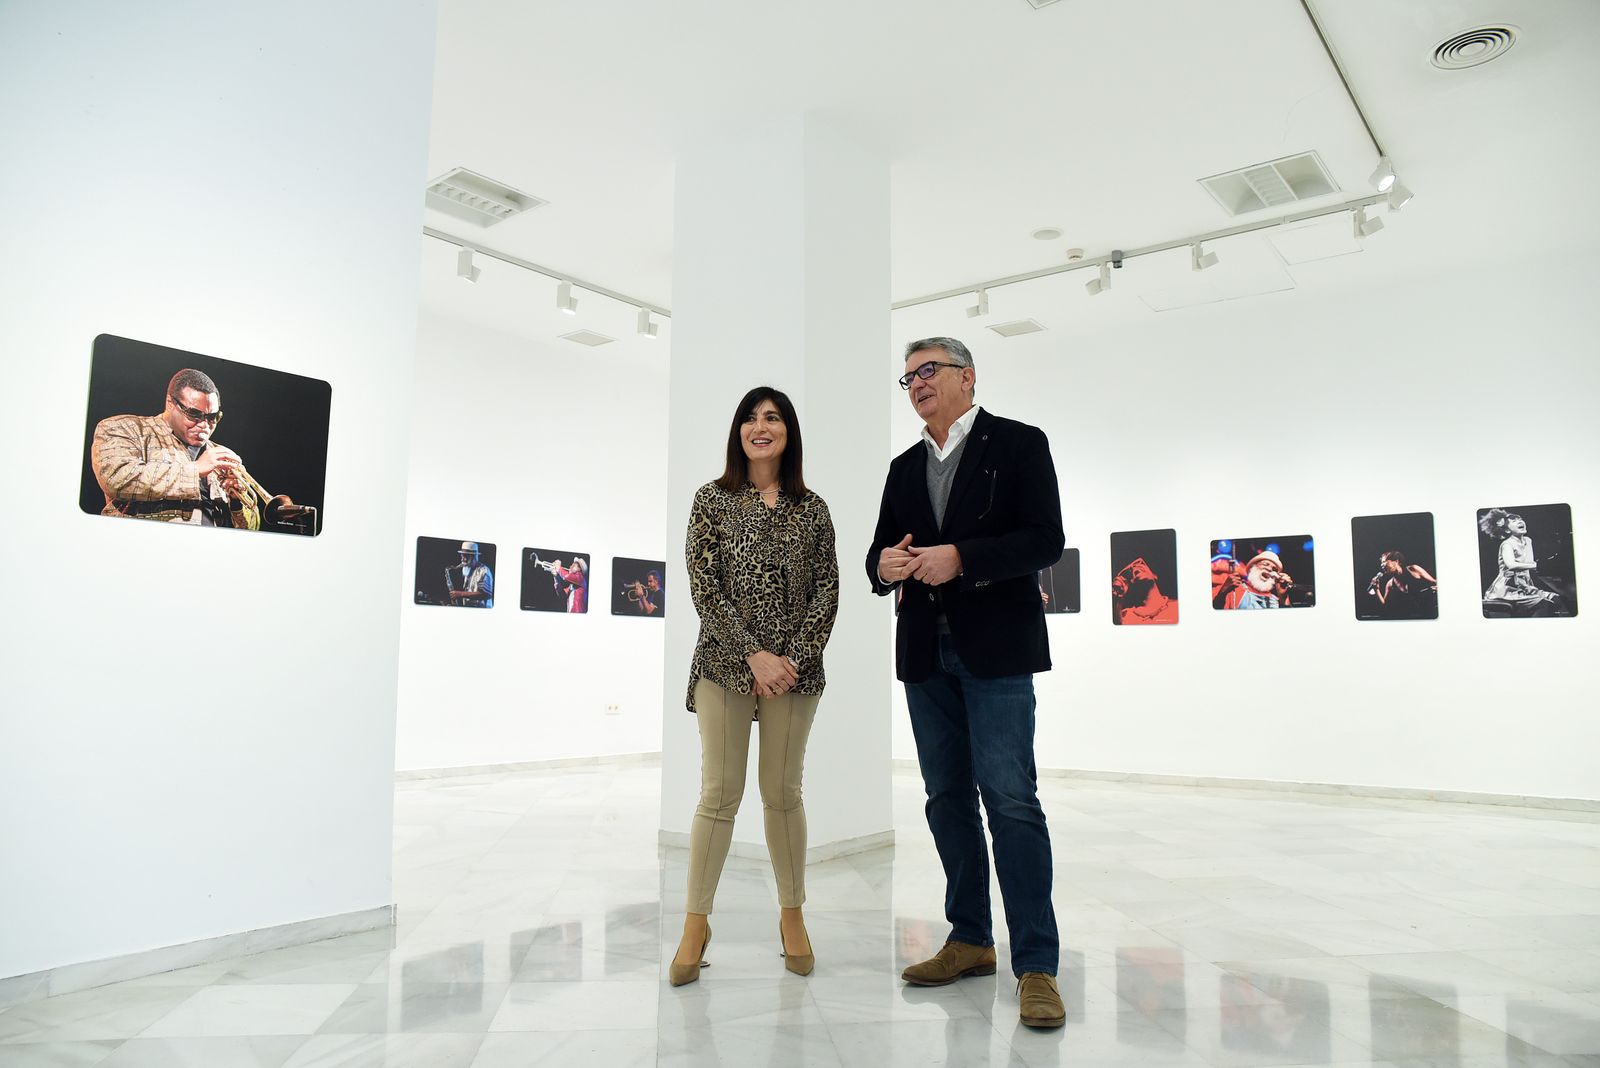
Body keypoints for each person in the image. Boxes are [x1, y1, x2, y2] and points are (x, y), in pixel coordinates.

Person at [866, 337, 1067, 1029]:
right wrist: (884, 565)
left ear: (967, 377)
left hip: (997, 652)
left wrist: (963, 558)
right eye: (908, 377)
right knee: (946, 798)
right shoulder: (903, 467)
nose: (917, 383)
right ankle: (970, 938)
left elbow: (1045, 540)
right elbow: (878, 552)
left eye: (929, 371)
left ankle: (1036, 964)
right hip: (925, 654)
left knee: (1011, 801)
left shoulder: (1019, 444)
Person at [672, 386, 839, 987]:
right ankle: (695, 923)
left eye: (772, 418)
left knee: (782, 793)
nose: (759, 427)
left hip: (794, 673)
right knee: (719, 794)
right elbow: (704, 587)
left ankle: (792, 915)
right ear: (737, 432)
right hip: (724, 665)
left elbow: (827, 589)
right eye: (749, 418)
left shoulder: (812, 509)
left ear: (788, 432)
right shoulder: (711, 500)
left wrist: (789, 660)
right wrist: (753, 655)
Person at [90, 368, 260, 530]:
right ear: (170, 403)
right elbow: (116, 479)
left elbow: (251, 528)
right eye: (194, 414)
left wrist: (236, 501)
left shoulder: (220, 454)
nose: (204, 425)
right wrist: (196, 470)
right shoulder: (125, 428)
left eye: (212, 417)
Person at [1479, 509, 1563, 614]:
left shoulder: (1528, 541)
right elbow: (1511, 565)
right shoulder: (1507, 544)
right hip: (1508, 589)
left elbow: (1529, 565)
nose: (1519, 521)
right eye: (1514, 521)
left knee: (1557, 599)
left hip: (1525, 587)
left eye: (1520, 519)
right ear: (1507, 530)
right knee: (1545, 604)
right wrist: (1537, 565)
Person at [1365, 550, 1438, 617]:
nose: (1382, 565)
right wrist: (1377, 589)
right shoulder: (1390, 584)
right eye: (1381, 563)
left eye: (1384, 561)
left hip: (1430, 611)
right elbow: (1385, 605)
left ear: (1396, 561)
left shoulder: (1413, 569)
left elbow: (1435, 582)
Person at [1214, 549, 1293, 609]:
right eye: (1265, 564)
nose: (1269, 569)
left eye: (1274, 569)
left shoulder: (1275, 600)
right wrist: (1223, 592)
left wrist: (1284, 597)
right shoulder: (1234, 589)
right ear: (1253, 567)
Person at [1113, 556, 1179, 624]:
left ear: (1154, 575)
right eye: (1130, 572)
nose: (1135, 569)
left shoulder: (1177, 606)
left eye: (1140, 565)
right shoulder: (1125, 616)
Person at [447, 542, 494, 607]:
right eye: (461, 555)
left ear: (474, 557)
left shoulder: (484, 571)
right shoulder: (468, 569)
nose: (462, 559)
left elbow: (486, 594)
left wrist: (460, 594)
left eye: (465, 556)